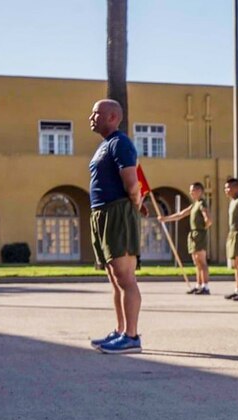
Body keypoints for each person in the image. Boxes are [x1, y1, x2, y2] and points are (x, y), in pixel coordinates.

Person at [87, 99, 144, 355]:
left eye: (96, 113)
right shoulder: (105, 145)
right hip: (102, 212)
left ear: (111, 117)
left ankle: (131, 337)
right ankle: (121, 331)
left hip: (117, 212)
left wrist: (132, 205)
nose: (91, 117)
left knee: (125, 277)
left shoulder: (121, 143)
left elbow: (132, 183)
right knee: (114, 278)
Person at [160, 182, 213, 295]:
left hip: (199, 233)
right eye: (190, 190)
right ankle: (198, 285)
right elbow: (181, 214)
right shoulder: (194, 205)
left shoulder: (202, 203)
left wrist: (203, 228)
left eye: (193, 190)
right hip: (193, 234)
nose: (191, 192)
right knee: (196, 262)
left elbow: (208, 219)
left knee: (201, 261)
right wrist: (165, 219)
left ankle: (205, 286)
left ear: (200, 191)